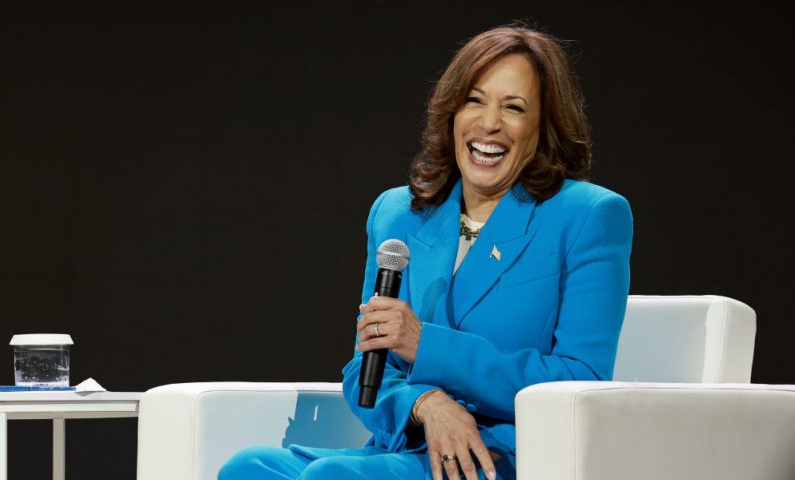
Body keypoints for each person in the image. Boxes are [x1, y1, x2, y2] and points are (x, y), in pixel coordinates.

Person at [219, 23, 633, 480]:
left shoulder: (585, 215)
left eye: (513, 107)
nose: (488, 123)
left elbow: (582, 384)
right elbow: (367, 372)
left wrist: (428, 346)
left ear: (544, 127)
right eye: (474, 100)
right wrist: (424, 404)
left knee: (329, 477)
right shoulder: (398, 213)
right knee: (247, 468)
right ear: (452, 112)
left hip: (501, 457)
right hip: (410, 446)